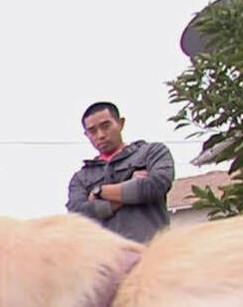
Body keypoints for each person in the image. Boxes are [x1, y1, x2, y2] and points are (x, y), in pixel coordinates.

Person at [66, 101, 176, 243]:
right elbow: (77, 216)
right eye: (92, 131)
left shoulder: (151, 152)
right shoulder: (81, 177)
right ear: (86, 134)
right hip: (108, 260)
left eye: (106, 126)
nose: (100, 135)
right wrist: (129, 187)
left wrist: (98, 192)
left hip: (153, 254)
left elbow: (155, 186)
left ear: (120, 123)